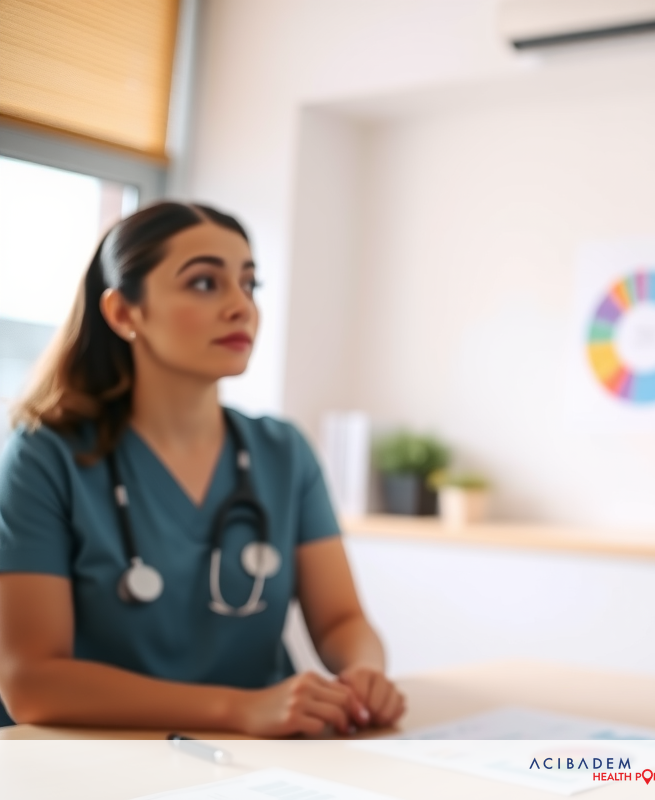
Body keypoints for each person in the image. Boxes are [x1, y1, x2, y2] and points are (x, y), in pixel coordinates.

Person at [0, 202, 405, 735]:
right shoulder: (44, 457)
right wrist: (237, 709)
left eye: (249, 284)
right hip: (103, 757)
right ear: (124, 313)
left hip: (263, 757)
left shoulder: (284, 451)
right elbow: (32, 682)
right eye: (204, 283)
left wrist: (363, 672)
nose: (241, 307)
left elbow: (341, 621)